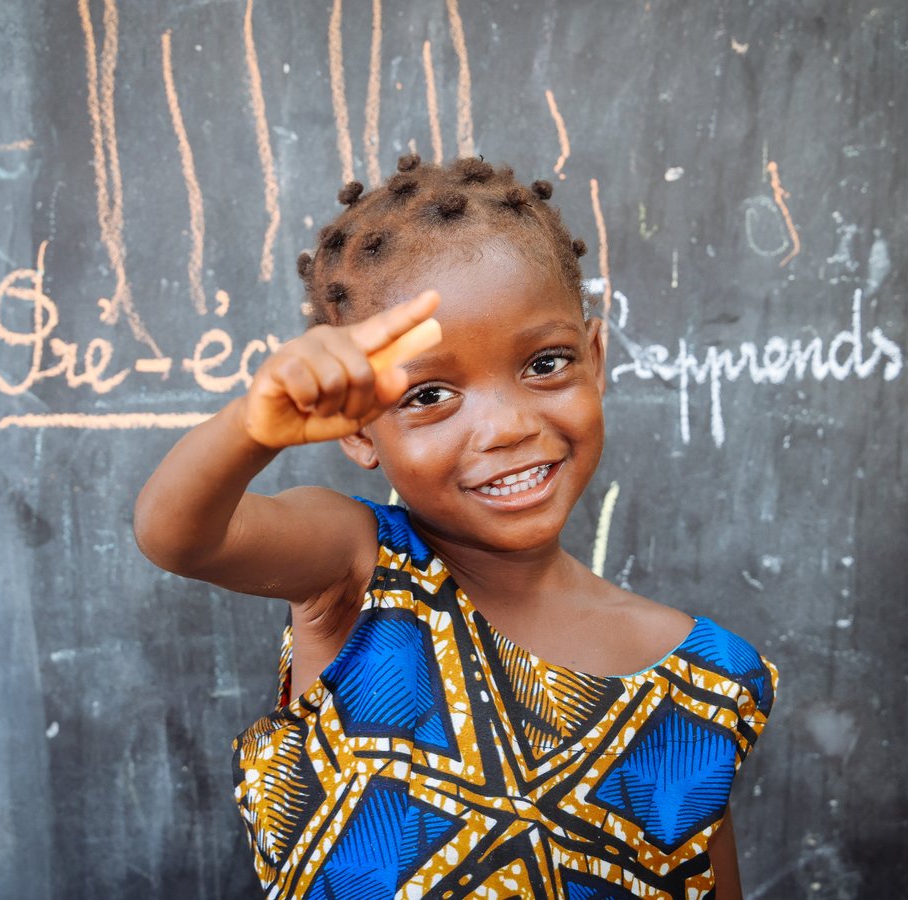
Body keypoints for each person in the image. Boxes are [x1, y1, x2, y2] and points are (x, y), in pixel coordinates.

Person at [133, 154, 778, 899]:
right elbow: (176, 535)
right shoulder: (358, 569)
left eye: (545, 364)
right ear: (361, 433)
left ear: (596, 360)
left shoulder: (701, 682)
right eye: (430, 393)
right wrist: (255, 426)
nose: (506, 426)